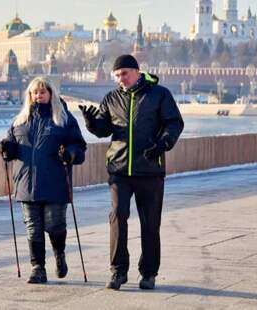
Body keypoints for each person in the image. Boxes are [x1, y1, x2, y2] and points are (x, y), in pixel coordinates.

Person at [79, 55, 184, 290]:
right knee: (118, 215)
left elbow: (174, 123)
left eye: (124, 74)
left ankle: (148, 273)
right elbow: (104, 130)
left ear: (137, 71)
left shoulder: (159, 94)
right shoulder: (112, 98)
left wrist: (162, 144)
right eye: (116, 75)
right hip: (119, 170)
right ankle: (118, 271)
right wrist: (91, 123)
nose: (121, 79)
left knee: (150, 223)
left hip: (149, 169)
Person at [0, 76, 87, 284]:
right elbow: (11, 146)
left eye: (42, 92)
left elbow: (79, 148)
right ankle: (38, 267)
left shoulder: (63, 120)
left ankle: (59, 254)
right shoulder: (20, 121)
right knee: (33, 228)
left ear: (51, 94)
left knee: (54, 225)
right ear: (29, 95)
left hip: (55, 182)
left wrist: (70, 154)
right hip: (25, 183)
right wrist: (6, 150)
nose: (38, 96)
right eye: (34, 92)